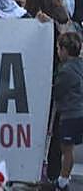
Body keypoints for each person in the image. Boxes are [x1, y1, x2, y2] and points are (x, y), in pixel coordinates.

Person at [54, 31, 83, 191]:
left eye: (58, 49)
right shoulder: (80, 65)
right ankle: (65, 177)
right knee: (69, 149)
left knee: (66, 149)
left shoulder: (65, 71)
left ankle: (63, 182)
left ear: (65, 50)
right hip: (79, 111)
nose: (58, 52)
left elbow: (57, 91)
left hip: (70, 113)